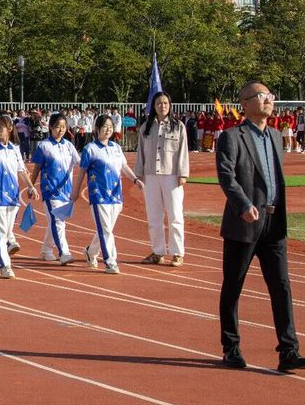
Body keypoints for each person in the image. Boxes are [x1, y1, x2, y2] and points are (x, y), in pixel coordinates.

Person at [215, 81, 305, 373]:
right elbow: (226, 175)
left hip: (273, 222)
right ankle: (231, 347)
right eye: (261, 96)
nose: (268, 100)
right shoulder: (232, 137)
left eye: (270, 95)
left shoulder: (275, 136)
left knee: (281, 286)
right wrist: (243, 204)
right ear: (245, 104)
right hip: (244, 223)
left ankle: (289, 350)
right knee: (233, 286)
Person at [73, 114, 141, 273]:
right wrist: (75, 191)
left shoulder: (116, 148)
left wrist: (136, 180)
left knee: (106, 229)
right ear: (97, 129)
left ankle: (90, 252)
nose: (108, 129)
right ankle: (111, 261)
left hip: (116, 195)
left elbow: (124, 167)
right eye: (105, 127)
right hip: (99, 195)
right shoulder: (90, 149)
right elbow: (82, 172)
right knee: (106, 230)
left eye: (110, 127)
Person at [0, 113, 39, 278]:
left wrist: (31, 187)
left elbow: (22, 171)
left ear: (10, 129)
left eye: (1, 127)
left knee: (6, 232)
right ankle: (5, 265)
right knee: (0, 232)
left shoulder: (14, 149)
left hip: (13, 196)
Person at [135, 91, 190, 267]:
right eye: (159, 103)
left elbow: (183, 151)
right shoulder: (146, 127)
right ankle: (158, 251)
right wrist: (139, 173)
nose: (162, 106)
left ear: (170, 105)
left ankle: (177, 252)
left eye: (165, 103)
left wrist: (183, 173)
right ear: (153, 106)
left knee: (175, 215)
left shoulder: (178, 126)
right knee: (154, 216)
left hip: (171, 175)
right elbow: (141, 152)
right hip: (151, 175)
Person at [30, 112, 80, 265]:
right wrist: (31, 186)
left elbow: (80, 163)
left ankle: (46, 250)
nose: (61, 130)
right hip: (50, 190)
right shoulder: (44, 146)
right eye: (58, 127)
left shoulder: (69, 146)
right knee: (58, 221)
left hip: (66, 191)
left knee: (57, 221)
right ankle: (64, 252)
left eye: (64, 127)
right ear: (51, 127)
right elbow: (37, 168)